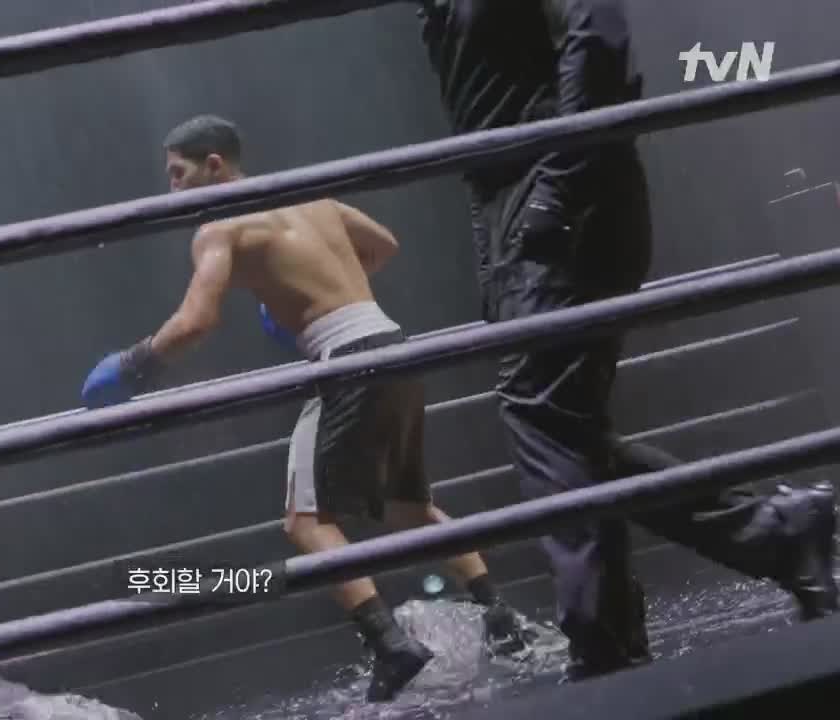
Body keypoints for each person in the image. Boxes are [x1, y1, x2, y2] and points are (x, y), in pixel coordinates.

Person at [412, 0, 838, 679]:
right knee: (561, 430)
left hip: (561, 188)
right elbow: (484, 104)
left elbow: (600, 39)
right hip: (514, 200)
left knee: (544, 417)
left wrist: (556, 189)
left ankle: (605, 642)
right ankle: (773, 537)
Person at [80, 115, 533, 703]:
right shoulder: (310, 196)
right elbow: (383, 245)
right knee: (407, 507)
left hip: (345, 361)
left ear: (214, 164)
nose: (172, 189)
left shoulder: (220, 229)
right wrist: (312, 294)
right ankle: (499, 617)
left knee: (305, 522)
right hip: (393, 344)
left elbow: (195, 322)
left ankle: (390, 645)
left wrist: (134, 365)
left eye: (178, 173)